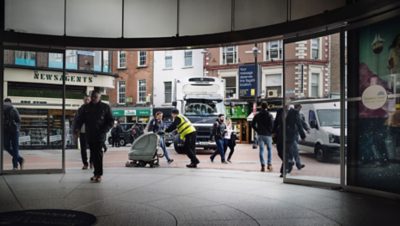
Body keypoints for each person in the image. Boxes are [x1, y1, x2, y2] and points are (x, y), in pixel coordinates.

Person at [74, 90, 114, 183]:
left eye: (95, 97)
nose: (93, 99)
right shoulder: (86, 108)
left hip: (100, 135)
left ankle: (98, 174)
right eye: (92, 97)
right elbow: (80, 119)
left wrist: (104, 130)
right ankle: (96, 173)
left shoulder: (105, 107)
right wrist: (77, 129)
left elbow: (111, 121)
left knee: (98, 154)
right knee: (94, 154)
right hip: (90, 134)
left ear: (99, 97)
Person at [252, 102, 274, 172]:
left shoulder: (257, 115)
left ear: (261, 107)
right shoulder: (270, 115)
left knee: (261, 150)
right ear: (267, 107)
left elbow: (252, 124)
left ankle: (262, 166)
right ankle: (269, 165)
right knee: (269, 150)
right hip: (268, 135)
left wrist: (257, 130)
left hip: (260, 134)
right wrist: (271, 132)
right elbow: (272, 125)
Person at [3, 98, 24, 170]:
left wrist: (15, 125)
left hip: (14, 131)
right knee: (6, 146)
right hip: (6, 131)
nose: (6, 105)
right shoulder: (2, 111)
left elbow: (19, 120)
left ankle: (15, 165)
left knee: (15, 148)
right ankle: (19, 158)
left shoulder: (14, 110)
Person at [286, 104, 307, 174]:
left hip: (289, 135)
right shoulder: (295, 113)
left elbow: (301, 122)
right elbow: (300, 124)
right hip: (292, 135)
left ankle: (291, 165)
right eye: (300, 108)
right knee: (294, 150)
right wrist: (303, 136)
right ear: (297, 107)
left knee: (291, 150)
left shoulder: (289, 112)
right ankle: (295, 164)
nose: (300, 109)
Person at [74, 95, 92, 170]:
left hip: (91, 132)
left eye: (88, 99)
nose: (86, 101)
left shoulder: (93, 109)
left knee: (92, 148)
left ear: (90, 100)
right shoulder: (80, 109)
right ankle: (85, 163)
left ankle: (92, 162)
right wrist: (76, 131)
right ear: (83, 100)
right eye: (85, 100)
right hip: (82, 131)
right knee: (83, 149)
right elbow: (76, 121)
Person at [272, 108, 284, 177]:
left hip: (289, 135)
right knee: (279, 152)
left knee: (286, 153)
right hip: (280, 134)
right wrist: (273, 132)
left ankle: (283, 171)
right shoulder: (280, 110)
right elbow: (276, 122)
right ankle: (288, 162)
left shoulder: (292, 111)